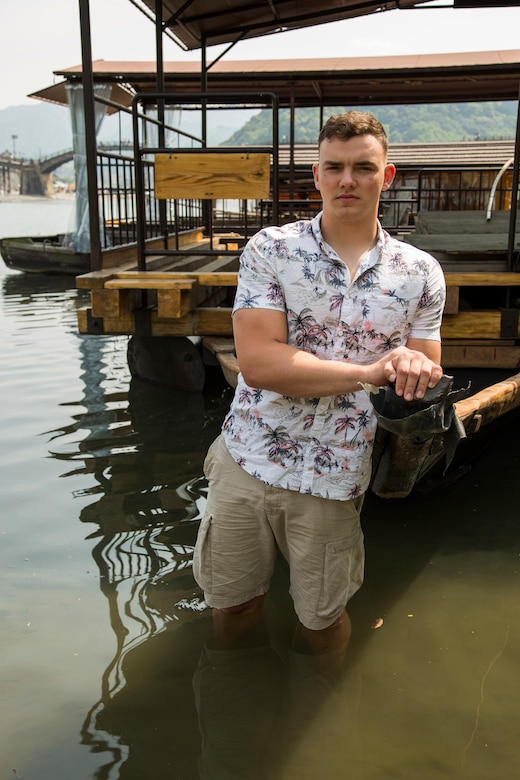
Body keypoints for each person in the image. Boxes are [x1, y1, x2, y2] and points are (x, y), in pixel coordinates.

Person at [193, 110, 445, 669]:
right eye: (334, 167)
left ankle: (319, 727)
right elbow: (259, 364)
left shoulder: (421, 271)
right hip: (249, 455)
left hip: (337, 471)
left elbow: (425, 372)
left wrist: (410, 365)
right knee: (233, 608)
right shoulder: (270, 250)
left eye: (363, 167)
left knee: (323, 622)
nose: (347, 180)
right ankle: (236, 711)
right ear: (316, 174)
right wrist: (375, 370)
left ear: (388, 175)